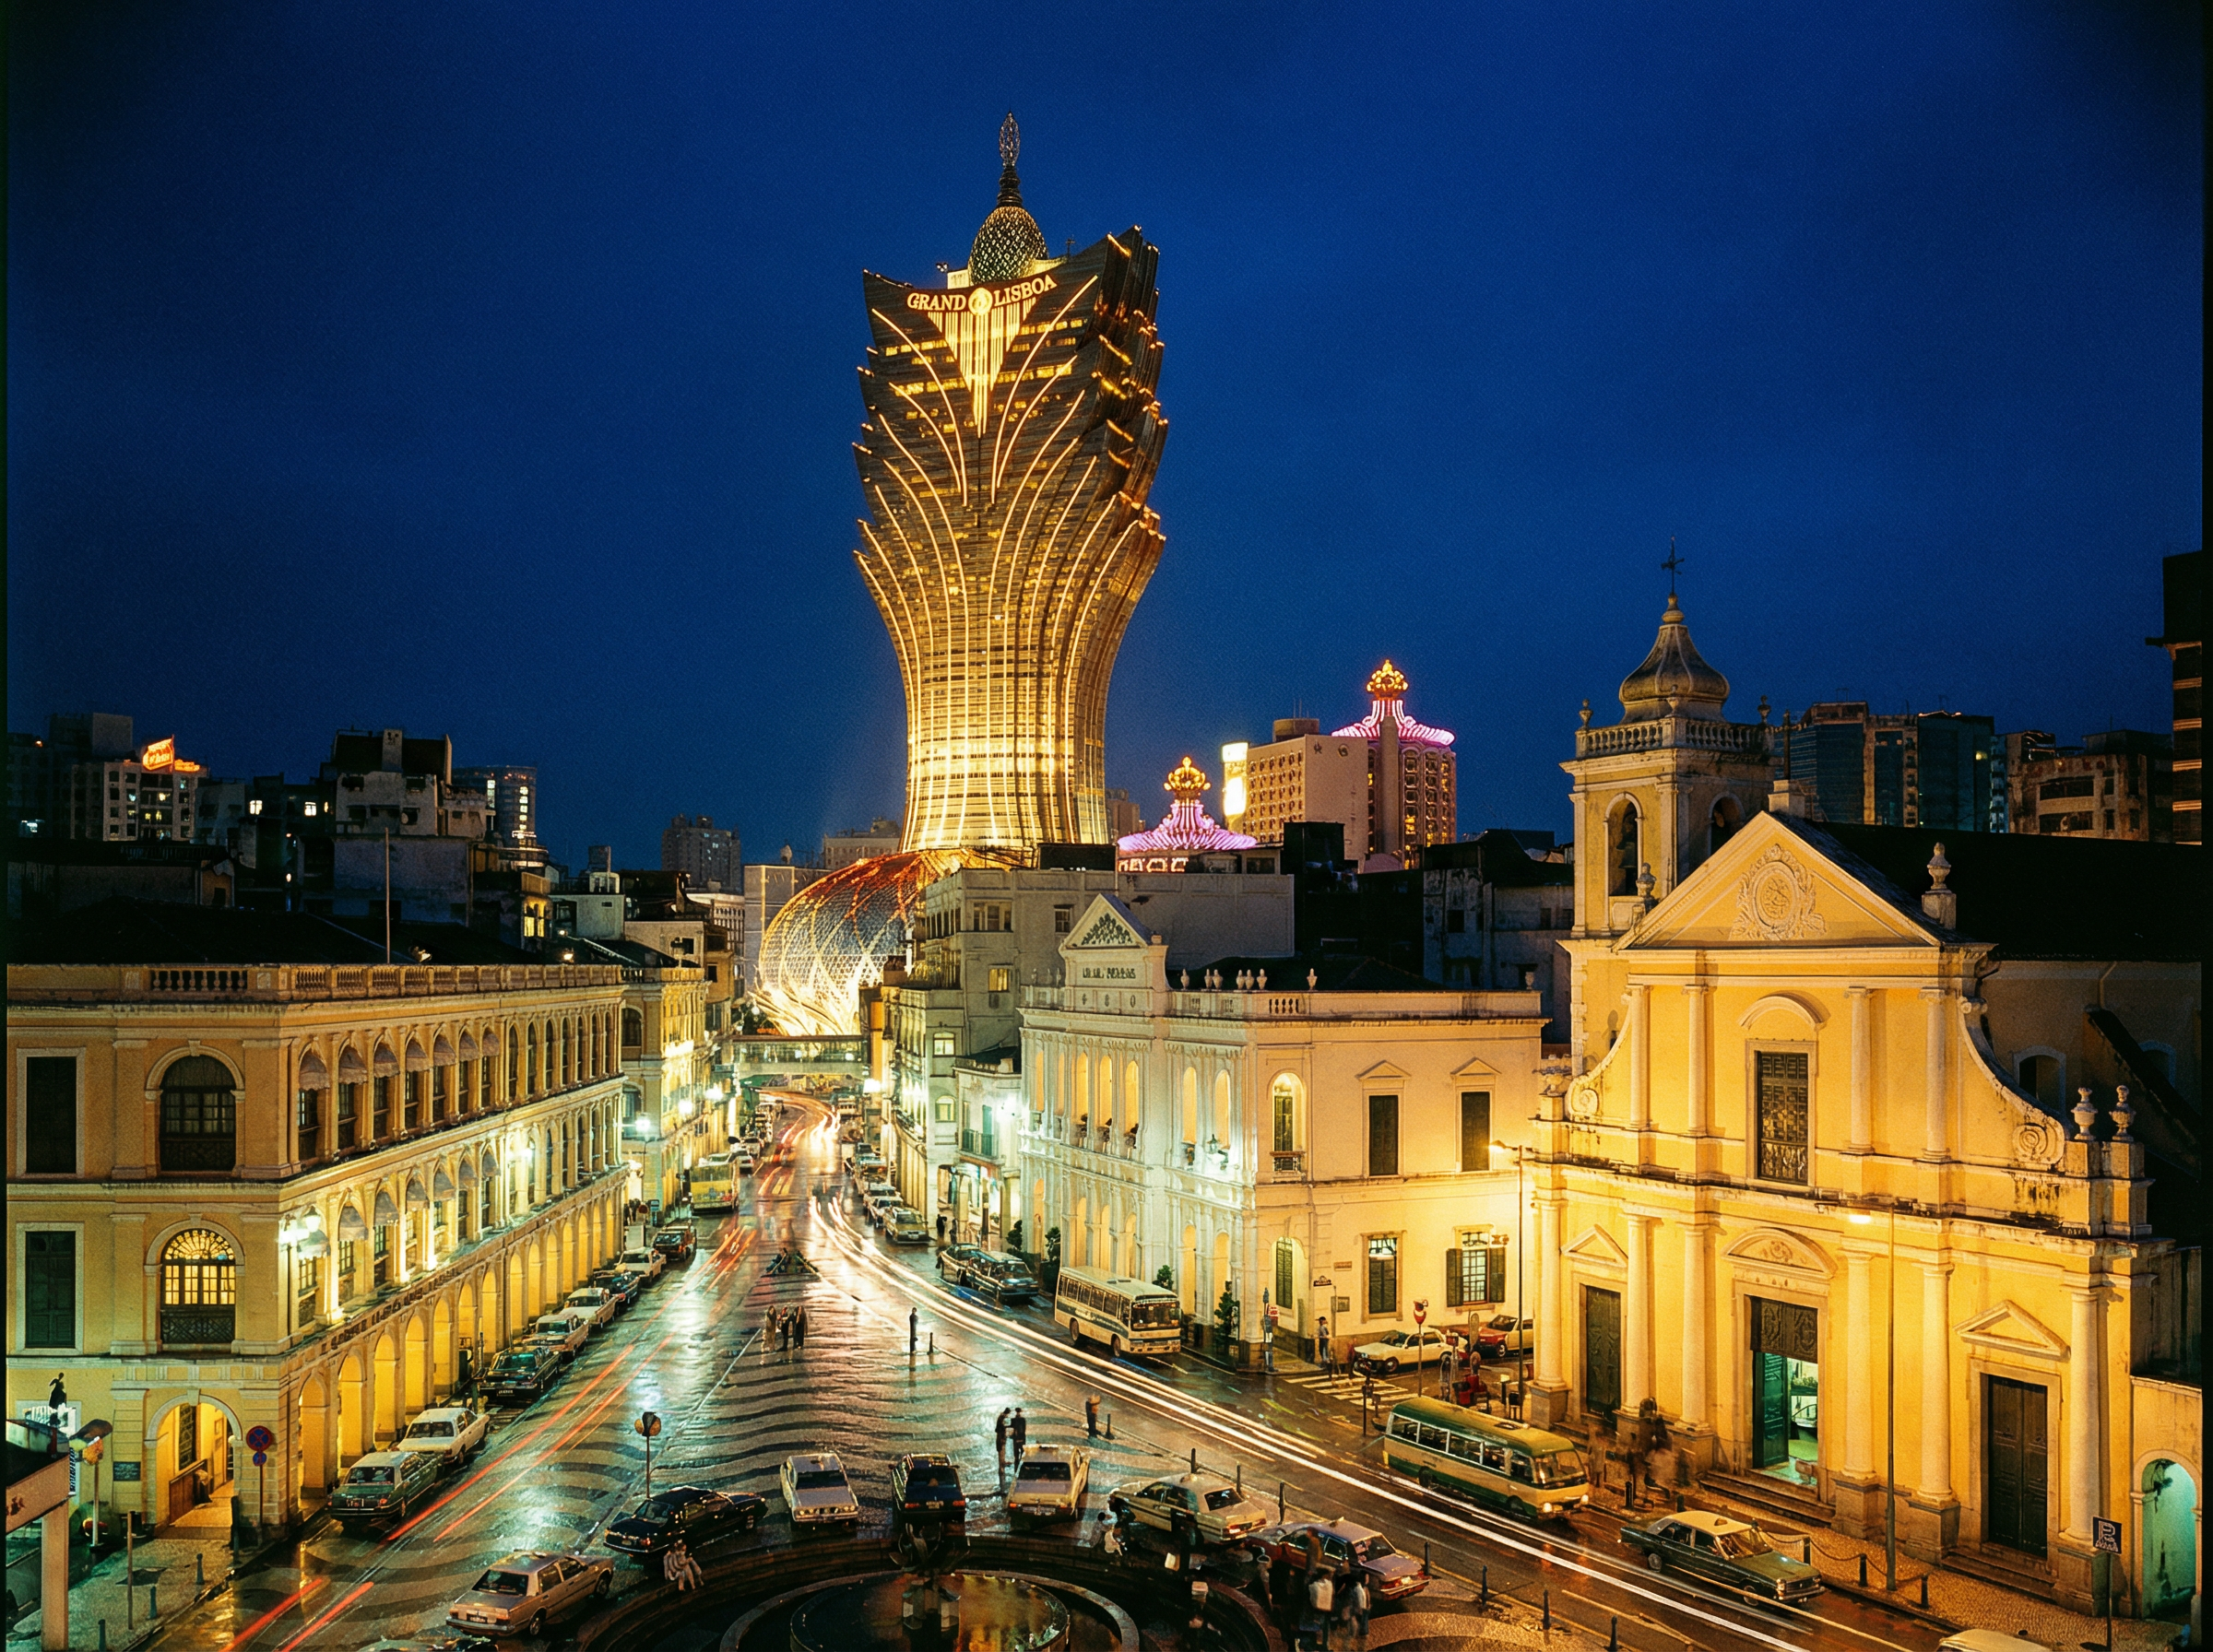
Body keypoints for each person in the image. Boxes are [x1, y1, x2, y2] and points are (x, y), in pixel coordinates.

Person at [1307, 1567, 1334, 1652]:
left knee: (1315, 1630)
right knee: (1324, 1632)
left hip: (1316, 1611)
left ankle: (1313, 1646)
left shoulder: (1314, 1585)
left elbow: (1311, 1598)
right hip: (1326, 1612)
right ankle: (1323, 1647)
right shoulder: (1329, 1585)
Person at [1347, 1575, 1370, 1647]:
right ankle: (1363, 1633)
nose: (1367, 1580)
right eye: (1366, 1578)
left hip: (1362, 1607)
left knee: (1361, 1620)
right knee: (1363, 1620)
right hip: (1363, 1607)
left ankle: (1361, 1633)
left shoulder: (1359, 1589)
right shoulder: (1362, 1588)